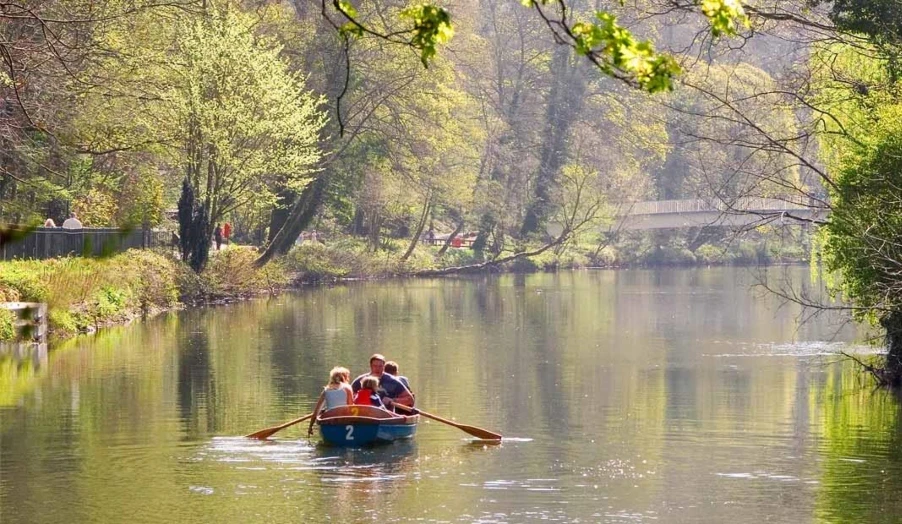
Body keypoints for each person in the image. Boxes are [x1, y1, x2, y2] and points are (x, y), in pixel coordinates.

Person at [307, 366, 354, 437]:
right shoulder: (347, 388)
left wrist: (310, 426)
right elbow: (351, 408)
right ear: (344, 377)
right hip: (344, 421)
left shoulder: (326, 390)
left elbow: (316, 412)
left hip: (330, 420)